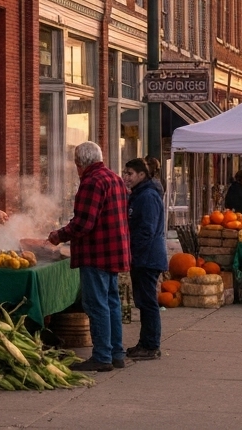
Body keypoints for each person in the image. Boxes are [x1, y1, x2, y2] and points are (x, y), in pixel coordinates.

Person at [48, 141, 130, 372]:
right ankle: (116, 353)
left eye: (76, 164)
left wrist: (59, 235)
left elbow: (84, 223)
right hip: (114, 250)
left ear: (81, 163)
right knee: (112, 302)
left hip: (96, 253)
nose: (76, 169)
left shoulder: (91, 182)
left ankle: (102, 356)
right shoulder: (115, 178)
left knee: (96, 305)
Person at [122, 158, 166, 360]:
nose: (126, 177)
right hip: (143, 257)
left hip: (147, 258)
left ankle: (151, 345)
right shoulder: (139, 194)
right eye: (125, 173)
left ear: (141, 175)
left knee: (148, 302)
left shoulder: (147, 196)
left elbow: (146, 230)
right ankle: (145, 342)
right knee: (143, 301)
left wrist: (133, 252)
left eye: (130, 173)